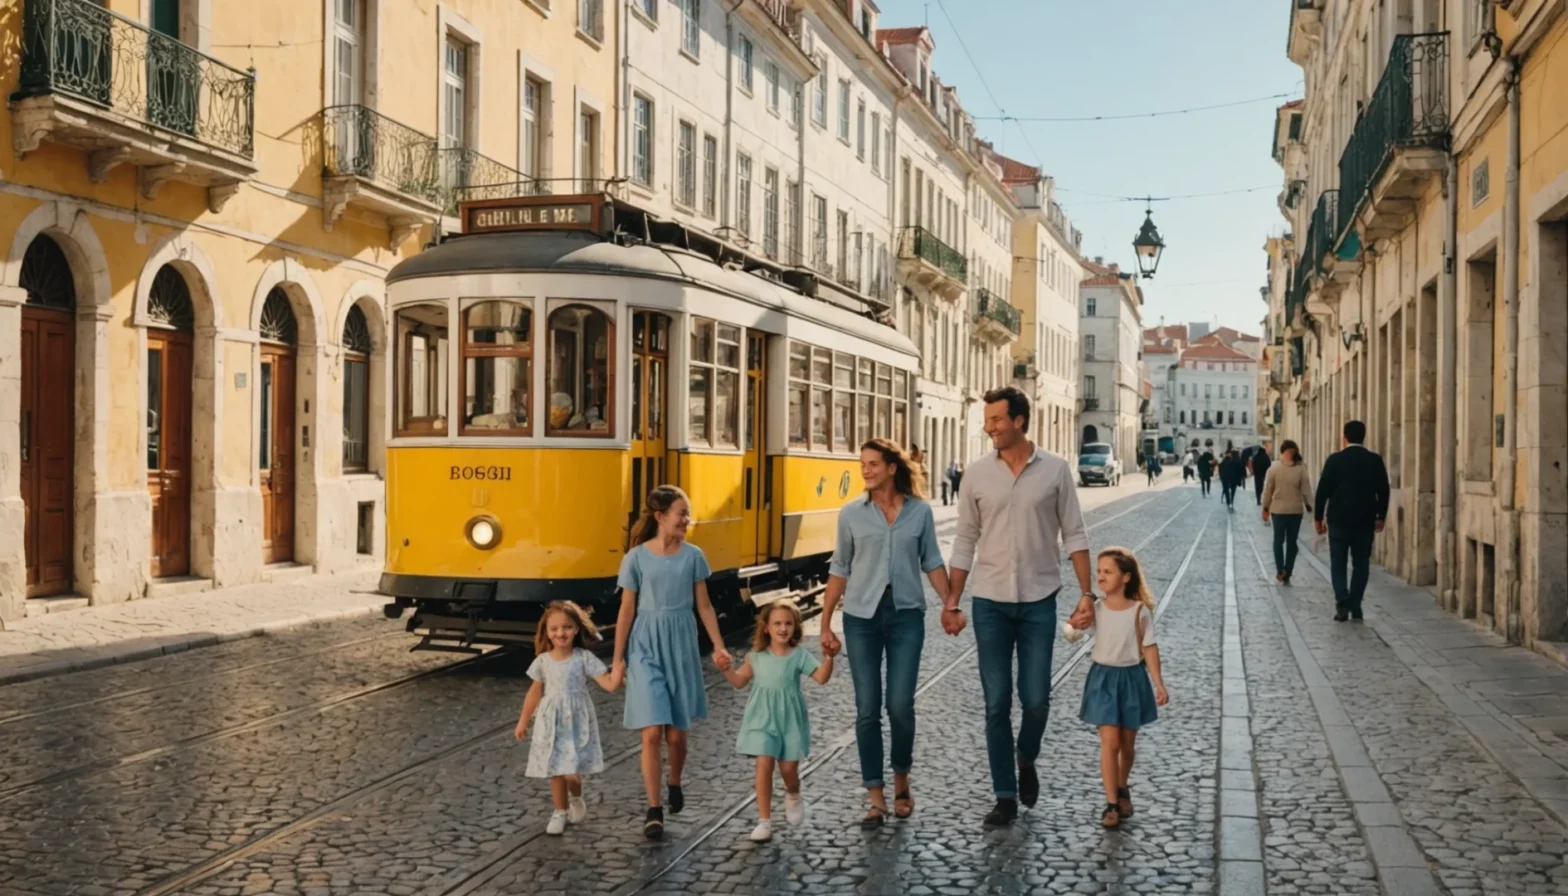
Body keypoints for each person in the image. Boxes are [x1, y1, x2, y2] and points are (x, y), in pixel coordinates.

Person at [950, 387, 1096, 828]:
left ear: (1018, 420)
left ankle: (1025, 755)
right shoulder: (975, 475)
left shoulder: (1054, 470)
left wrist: (1087, 594)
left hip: (1038, 600)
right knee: (996, 702)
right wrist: (952, 600)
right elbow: (964, 540)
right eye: (988, 420)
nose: (989, 427)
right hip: (989, 601)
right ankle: (1005, 795)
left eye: (996, 419)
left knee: (1035, 700)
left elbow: (1075, 533)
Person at [820, 439, 952, 827]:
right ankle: (875, 797)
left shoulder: (920, 514)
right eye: (863, 465)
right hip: (861, 617)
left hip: (906, 615)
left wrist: (950, 603)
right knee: (866, 709)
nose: (866, 471)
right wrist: (826, 622)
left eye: (873, 464)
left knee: (899, 704)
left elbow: (932, 561)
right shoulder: (851, 515)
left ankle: (901, 780)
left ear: (892, 468)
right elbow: (839, 568)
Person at [613, 485, 734, 840]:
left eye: (688, 513)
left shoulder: (693, 556)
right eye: (682, 513)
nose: (687, 519)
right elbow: (627, 610)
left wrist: (718, 646)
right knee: (652, 732)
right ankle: (653, 810)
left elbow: (705, 606)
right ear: (661, 517)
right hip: (646, 644)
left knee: (677, 736)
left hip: (680, 644)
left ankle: (675, 781)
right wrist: (619, 660)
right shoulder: (635, 558)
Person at [1065, 546, 1168, 829]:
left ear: (1126, 577)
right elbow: (1072, 635)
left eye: (1107, 572)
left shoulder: (1139, 611)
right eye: (1099, 572)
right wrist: (1074, 622)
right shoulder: (1096, 609)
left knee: (1127, 745)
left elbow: (1149, 647)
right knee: (1109, 743)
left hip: (1133, 679)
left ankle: (1122, 785)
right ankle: (1111, 803)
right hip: (1104, 680)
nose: (1100, 577)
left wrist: (1158, 683)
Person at [722, 600, 837, 841]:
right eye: (777, 624)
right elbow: (739, 681)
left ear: (795, 628)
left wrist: (829, 658)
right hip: (762, 719)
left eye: (788, 624)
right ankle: (764, 821)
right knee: (764, 763)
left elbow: (822, 678)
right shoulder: (756, 657)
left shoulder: (799, 656)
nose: (783, 628)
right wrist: (726, 670)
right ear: (766, 628)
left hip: (789, 720)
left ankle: (793, 793)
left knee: (787, 769)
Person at [515, 601, 622, 835]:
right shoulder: (542, 661)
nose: (560, 633)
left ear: (576, 629)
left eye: (566, 627)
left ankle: (576, 797)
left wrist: (619, 675)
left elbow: (607, 683)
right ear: (546, 632)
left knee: (572, 773)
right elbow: (535, 692)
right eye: (554, 629)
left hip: (577, 721)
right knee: (556, 769)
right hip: (550, 721)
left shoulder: (583, 658)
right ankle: (559, 811)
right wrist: (524, 721)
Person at [1314, 421, 1390, 622]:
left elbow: (1323, 491)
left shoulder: (1335, 460)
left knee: (1338, 562)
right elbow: (1383, 490)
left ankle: (1342, 601)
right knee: (1361, 562)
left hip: (1338, 519)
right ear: (1363, 437)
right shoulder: (1374, 460)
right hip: (1365, 520)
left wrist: (1318, 518)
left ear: (1344, 437)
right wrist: (1381, 516)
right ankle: (1355, 604)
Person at [1261, 440, 1312, 585]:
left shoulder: (1274, 468)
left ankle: (1280, 570)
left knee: (1278, 541)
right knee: (1291, 542)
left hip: (1279, 510)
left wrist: (1265, 508)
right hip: (1295, 510)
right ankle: (1287, 569)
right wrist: (1310, 506)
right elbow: (1306, 490)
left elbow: (1267, 490)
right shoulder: (1301, 468)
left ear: (1282, 452)